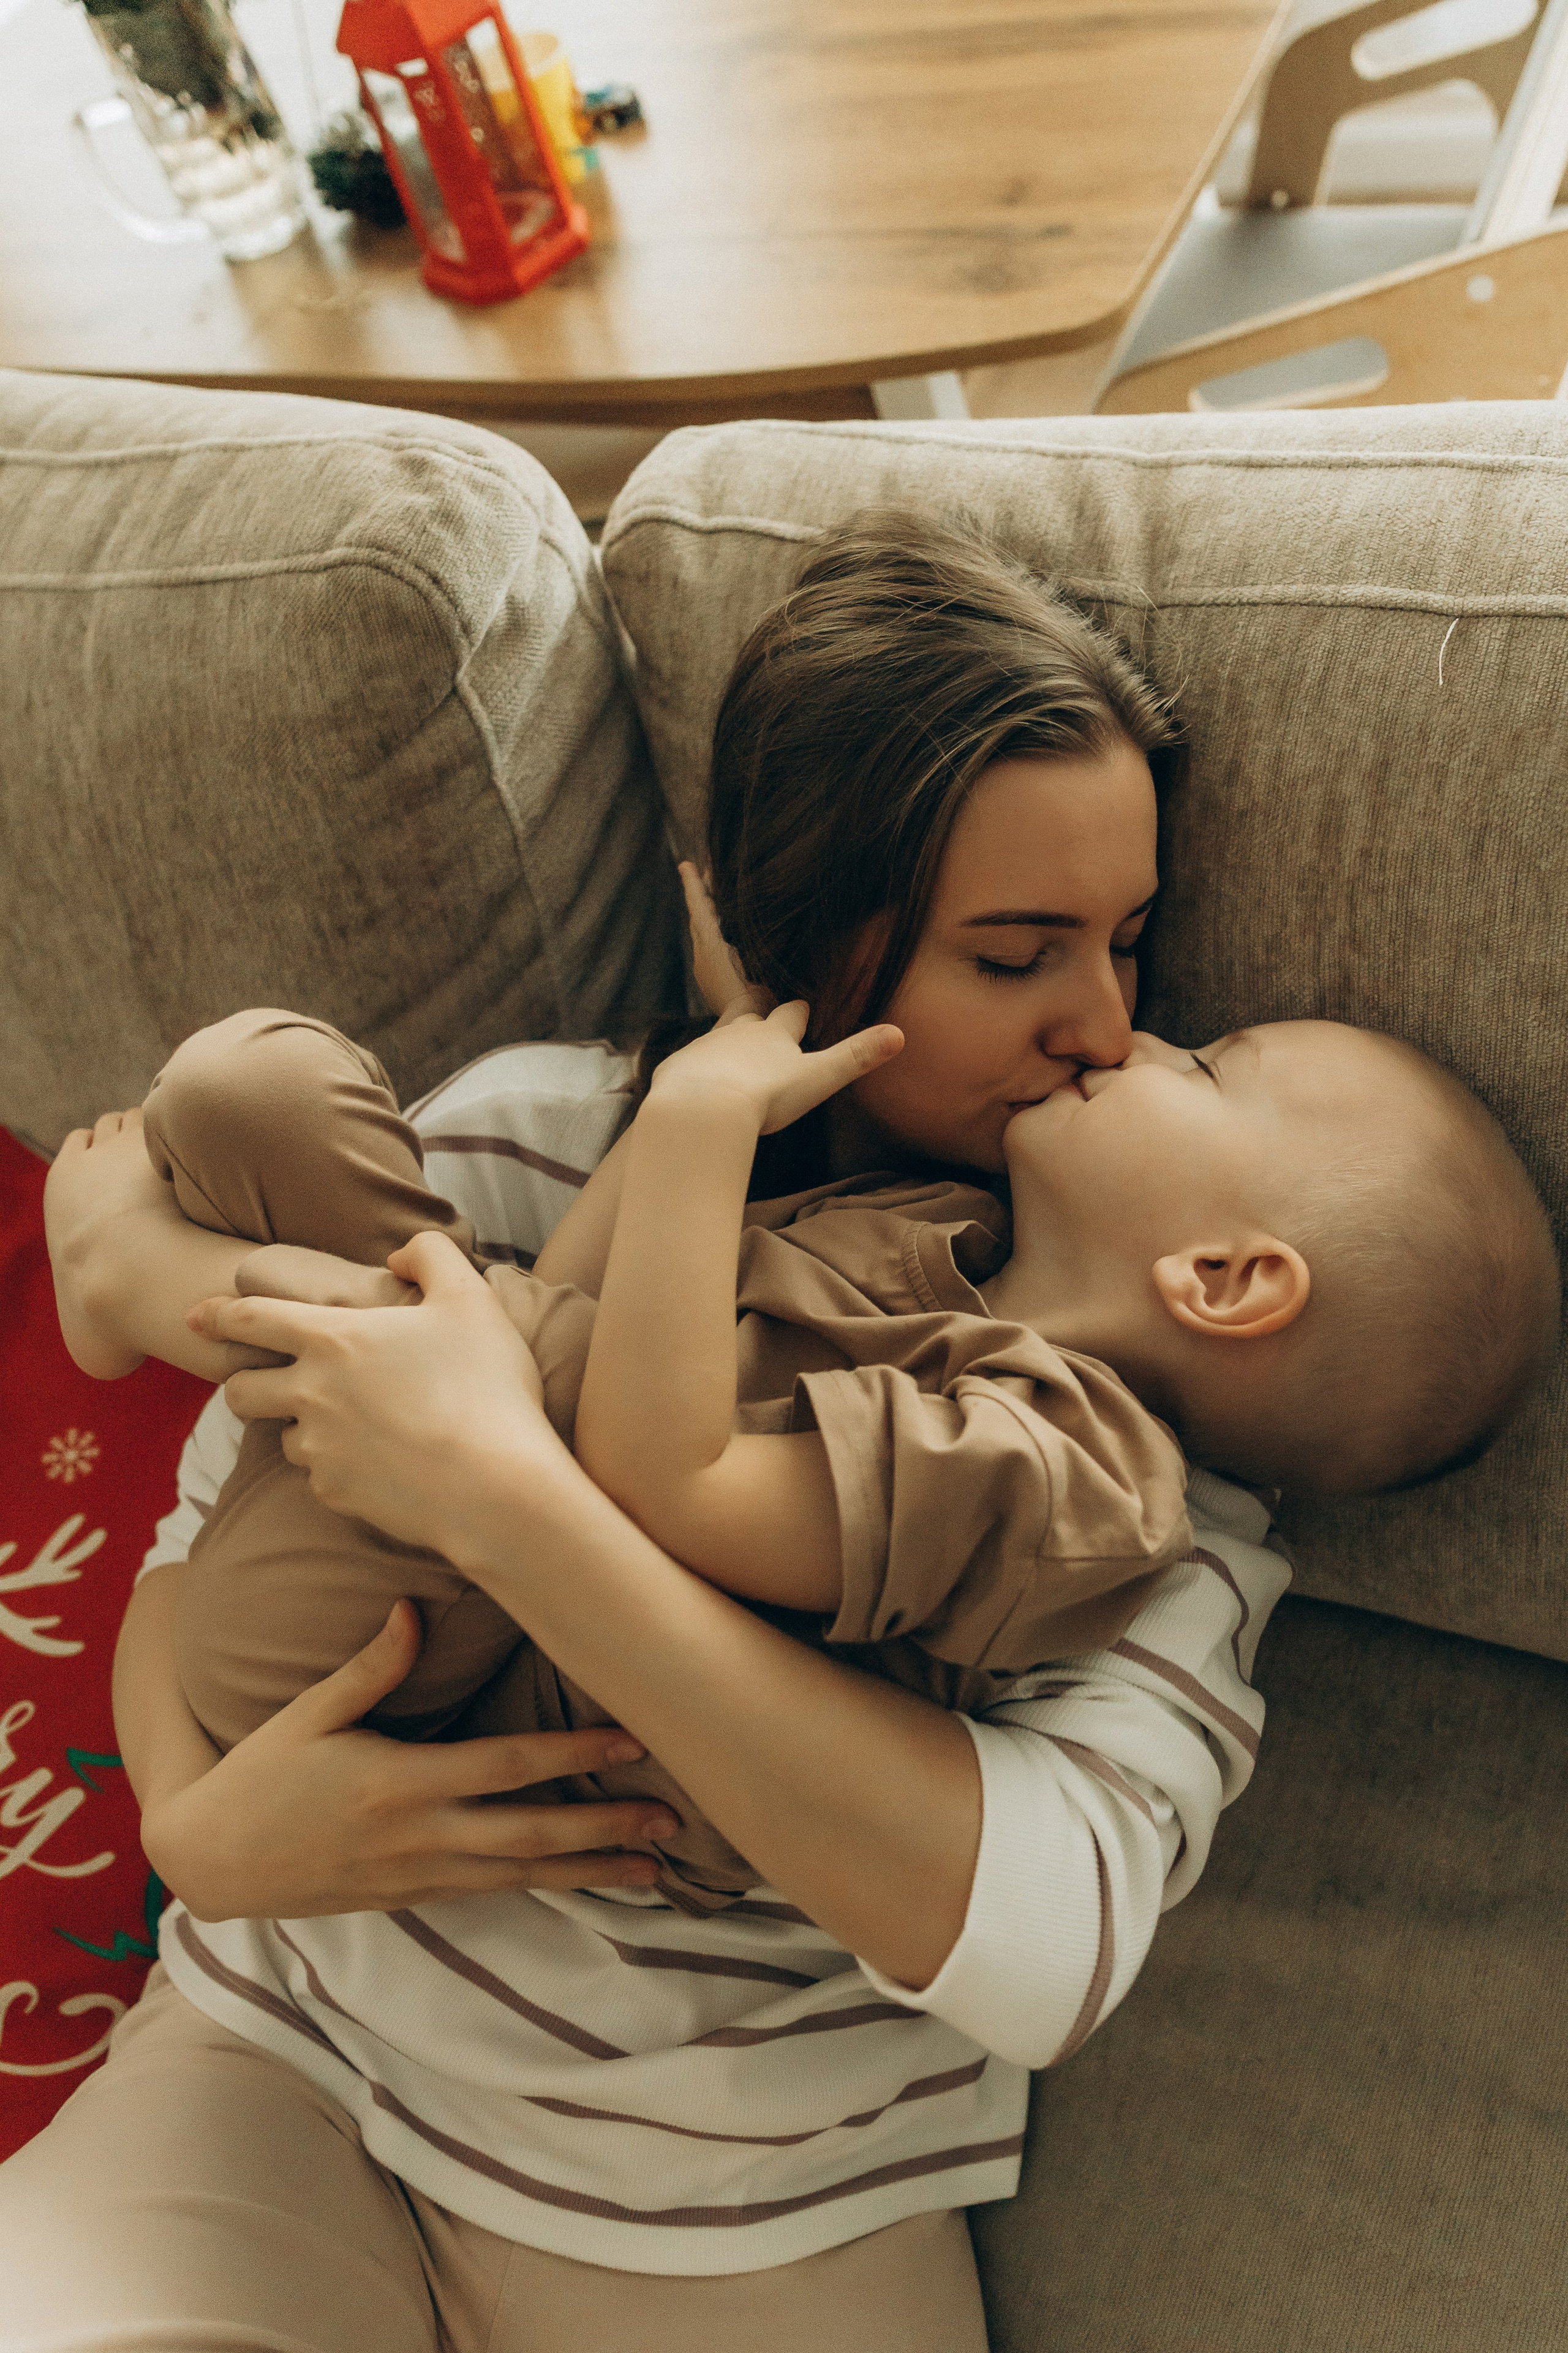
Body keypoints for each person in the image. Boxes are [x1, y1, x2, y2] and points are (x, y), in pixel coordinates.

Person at [0, 513, 1418, 2349]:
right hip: (283, 2053)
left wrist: (503, 1497)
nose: (1104, 1027)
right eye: (1013, 955)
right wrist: (199, 1831)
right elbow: (211, 1543)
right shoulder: (529, 1141)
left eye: (1129, 944)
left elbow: (1045, 1941)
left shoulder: (1122, 1436)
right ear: (812, 940)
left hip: (748, 2203)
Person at [41, 946, 1555, 1920]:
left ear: (1223, 1278)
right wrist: (719, 1057)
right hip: (389, 1553)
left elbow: (661, 1476)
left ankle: (138, 1280)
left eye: (1205, 1066)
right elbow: (578, 1315)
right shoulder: (935, 1229)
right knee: (259, 1084)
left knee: (412, 1280)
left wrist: (703, 1125)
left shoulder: (1074, 1480)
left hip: (388, 1671)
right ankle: (139, 1280)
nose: (1134, 1036)